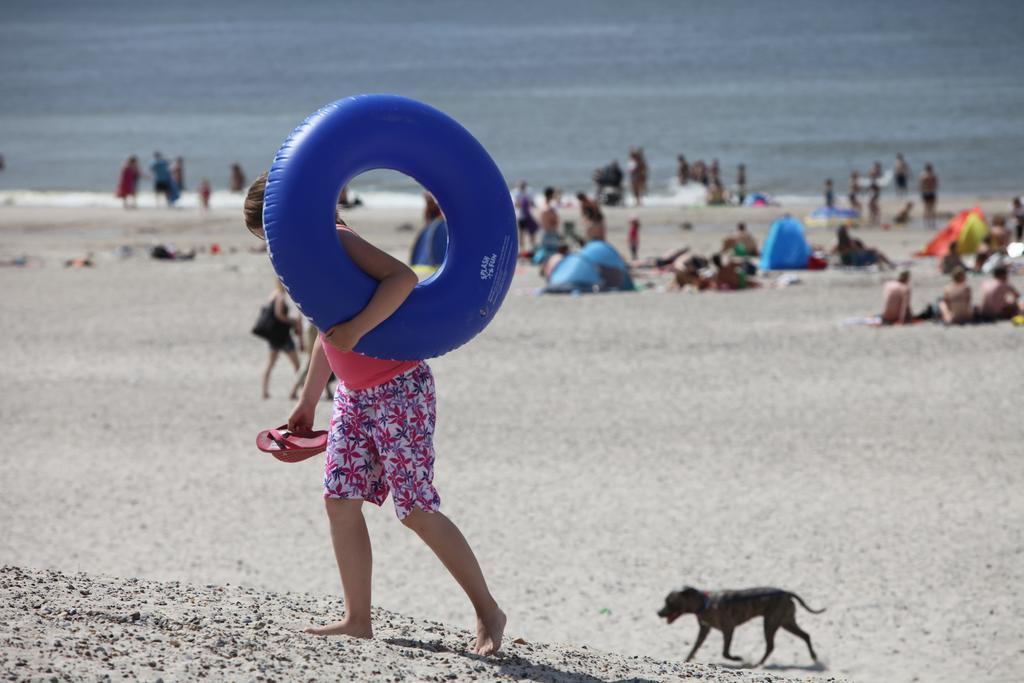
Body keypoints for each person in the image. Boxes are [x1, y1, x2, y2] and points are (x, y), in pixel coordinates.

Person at [243, 172, 506, 655]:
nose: (270, 248)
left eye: (267, 234)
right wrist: (306, 399)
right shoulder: (308, 257)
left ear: (284, 217)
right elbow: (329, 331)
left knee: (417, 510)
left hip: (398, 387)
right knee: (340, 501)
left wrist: (361, 327)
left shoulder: (339, 240)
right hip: (353, 397)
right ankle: (357, 619)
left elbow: (403, 279)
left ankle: (488, 611)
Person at [258, 280, 303, 399]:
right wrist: (293, 321)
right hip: (283, 336)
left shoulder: (272, 295)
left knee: (270, 363)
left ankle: (264, 391)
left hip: (274, 336)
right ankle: (299, 391)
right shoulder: (280, 296)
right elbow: (279, 315)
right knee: (297, 365)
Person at [514, 181, 539, 250]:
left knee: (530, 232)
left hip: (526, 216)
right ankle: (523, 248)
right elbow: (516, 205)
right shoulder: (517, 194)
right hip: (521, 216)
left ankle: (531, 247)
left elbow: (531, 203)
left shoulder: (526, 193)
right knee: (522, 233)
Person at [538, 187, 561, 252]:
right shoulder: (549, 208)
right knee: (551, 254)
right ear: (551, 195)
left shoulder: (543, 205)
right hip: (550, 233)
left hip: (544, 232)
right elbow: (554, 221)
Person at [919, 163, 938, 229]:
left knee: (926, 208)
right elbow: (936, 185)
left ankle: (926, 223)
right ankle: (932, 223)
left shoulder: (923, 175)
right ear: (931, 169)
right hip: (931, 192)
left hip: (925, 193)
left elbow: (921, 185)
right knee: (932, 208)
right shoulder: (933, 175)